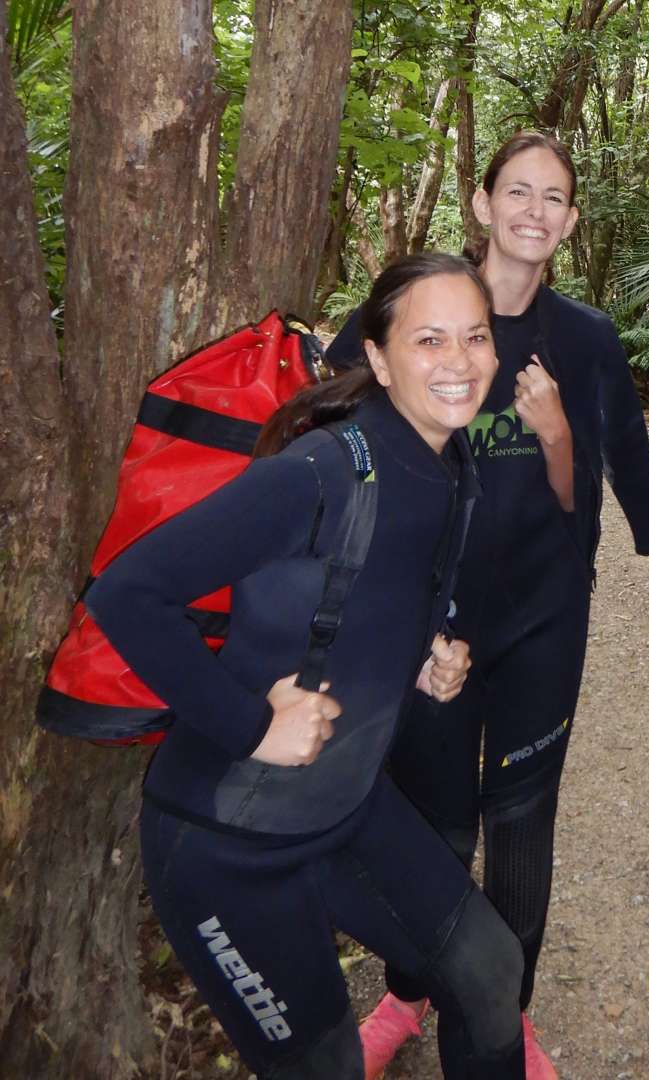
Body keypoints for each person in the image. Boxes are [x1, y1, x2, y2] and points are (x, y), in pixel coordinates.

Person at [85, 254, 530, 1078]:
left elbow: (367, 604)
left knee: (490, 970)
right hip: (228, 849)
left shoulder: (449, 464)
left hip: (347, 808)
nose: (460, 360)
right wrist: (255, 726)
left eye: (476, 336)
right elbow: (127, 593)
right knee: (324, 1065)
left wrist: (428, 660)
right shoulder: (325, 471)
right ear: (382, 357)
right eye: (430, 339)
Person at [342, 132, 649, 1079]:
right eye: (516, 192)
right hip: (426, 627)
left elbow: (587, 493)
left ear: (569, 221)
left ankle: (502, 1010)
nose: (533, 210)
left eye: (554, 198)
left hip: (541, 619)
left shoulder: (589, 340)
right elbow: (330, 430)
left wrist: (561, 434)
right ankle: (407, 993)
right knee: (432, 819)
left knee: (521, 819)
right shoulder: (419, 317)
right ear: (483, 205)